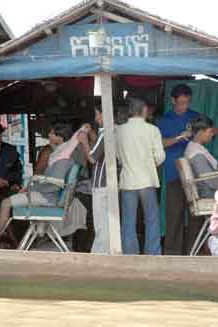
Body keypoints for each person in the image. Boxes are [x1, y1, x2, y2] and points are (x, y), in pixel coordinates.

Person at [0, 124, 84, 248]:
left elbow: (55, 183)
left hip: (46, 197)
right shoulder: (60, 154)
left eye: (52, 133)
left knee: (5, 203)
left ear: (60, 137)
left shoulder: (63, 159)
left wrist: (34, 182)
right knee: (9, 201)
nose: (49, 135)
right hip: (46, 194)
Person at [117, 98, 166, 255]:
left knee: (128, 221)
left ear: (129, 112)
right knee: (151, 218)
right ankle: (152, 253)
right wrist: (150, 164)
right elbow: (160, 157)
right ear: (144, 110)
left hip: (128, 181)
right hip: (146, 180)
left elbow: (117, 156)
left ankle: (130, 254)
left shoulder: (118, 130)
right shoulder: (152, 130)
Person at [157, 84, 199, 255]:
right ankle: (172, 253)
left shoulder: (195, 116)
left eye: (187, 103)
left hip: (195, 173)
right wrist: (180, 137)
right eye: (181, 103)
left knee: (196, 214)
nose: (184, 106)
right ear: (173, 100)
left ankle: (193, 251)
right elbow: (161, 143)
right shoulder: (164, 120)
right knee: (174, 215)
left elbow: (212, 131)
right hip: (174, 173)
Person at [84, 105, 110, 253]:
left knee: (101, 222)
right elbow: (98, 148)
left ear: (103, 114)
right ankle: (101, 250)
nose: (96, 118)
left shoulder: (106, 133)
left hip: (101, 183)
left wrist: (83, 141)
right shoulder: (110, 132)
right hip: (107, 182)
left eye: (97, 115)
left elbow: (93, 158)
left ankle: (101, 252)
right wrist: (91, 133)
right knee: (104, 221)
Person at [185, 115, 218, 198]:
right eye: (210, 132)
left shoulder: (196, 148)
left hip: (211, 190)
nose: (212, 135)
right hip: (209, 193)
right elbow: (211, 182)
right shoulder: (196, 154)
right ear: (201, 132)